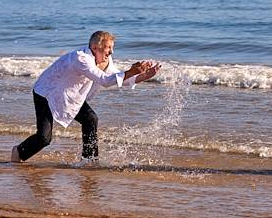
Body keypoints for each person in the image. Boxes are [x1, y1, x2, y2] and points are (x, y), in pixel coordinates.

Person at [12, 31, 161, 163]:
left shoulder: (104, 61)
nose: (111, 52)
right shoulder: (81, 59)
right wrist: (131, 70)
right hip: (46, 93)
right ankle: (18, 152)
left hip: (68, 95)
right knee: (44, 138)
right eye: (109, 48)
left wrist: (142, 76)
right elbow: (105, 81)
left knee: (90, 119)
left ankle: (89, 160)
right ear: (95, 47)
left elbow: (119, 78)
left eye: (112, 48)